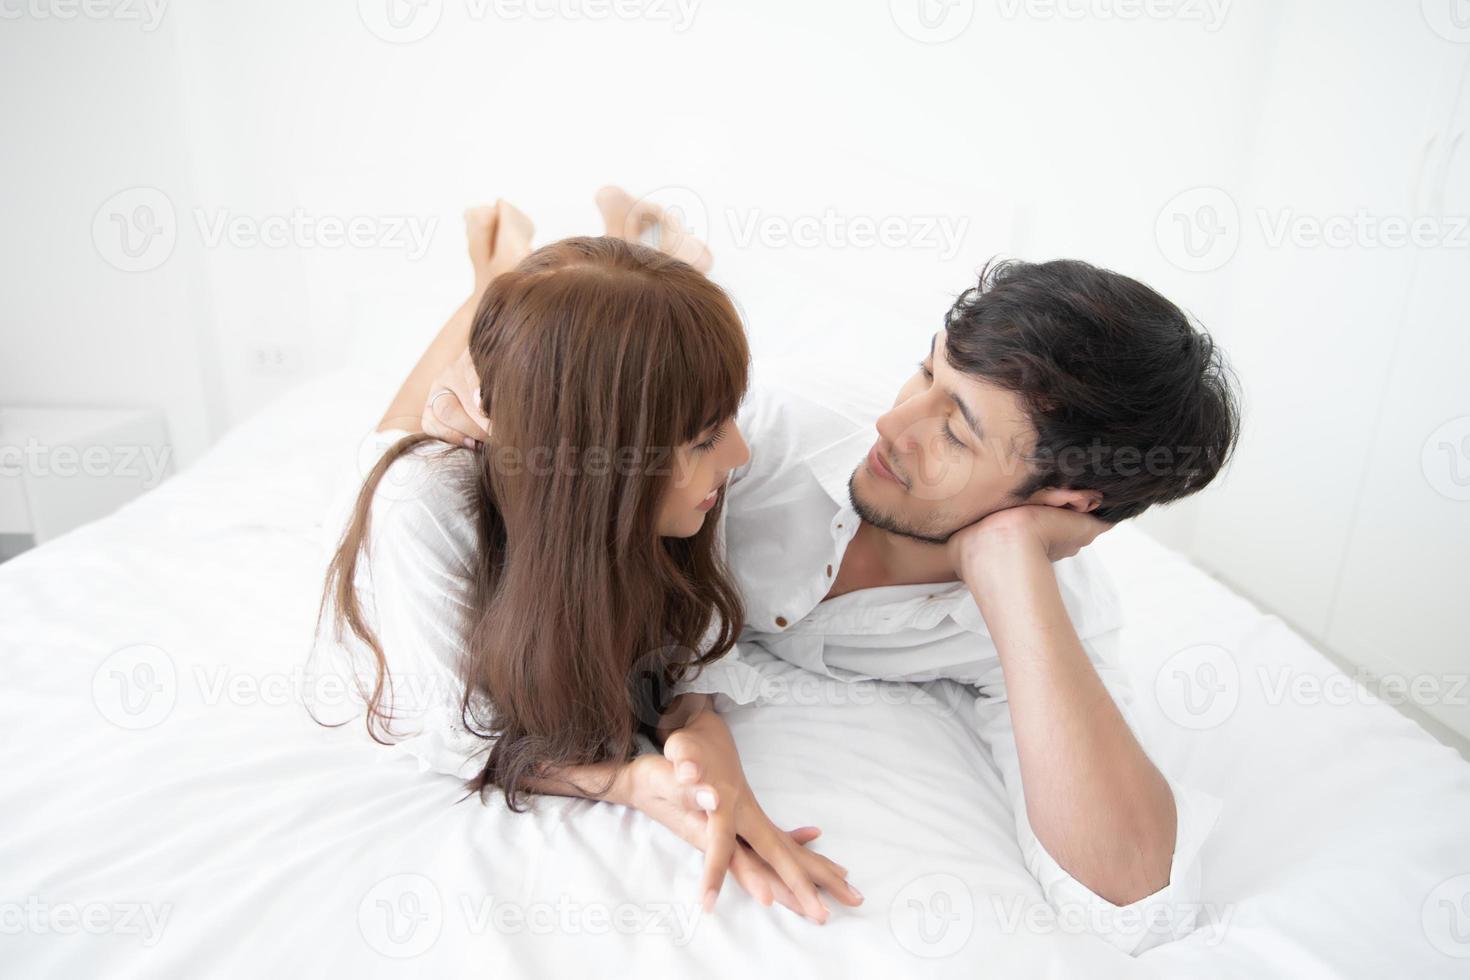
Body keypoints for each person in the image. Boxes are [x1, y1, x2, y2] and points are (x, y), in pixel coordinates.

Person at [422, 190, 1242, 955]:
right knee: (449, 418)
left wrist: (1008, 565)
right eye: (926, 372)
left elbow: (1135, 901)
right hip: (678, 364)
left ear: (1066, 499)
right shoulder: (766, 439)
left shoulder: (1048, 617)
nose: (895, 424)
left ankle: (660, 245)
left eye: (954, 433)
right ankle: (514, 267)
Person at [314, 197, 863, 925]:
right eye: (703, 439)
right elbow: (454, 729)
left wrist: (704, 744)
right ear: (599, 472)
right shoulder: (416, 509)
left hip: (552, 455)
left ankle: (606, 252)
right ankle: (495, 267)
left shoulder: (684, 495)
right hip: (443, 482)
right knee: (403, 427)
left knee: (566, 335)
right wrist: (626, 782)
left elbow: (687, 659)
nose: (740, 455)